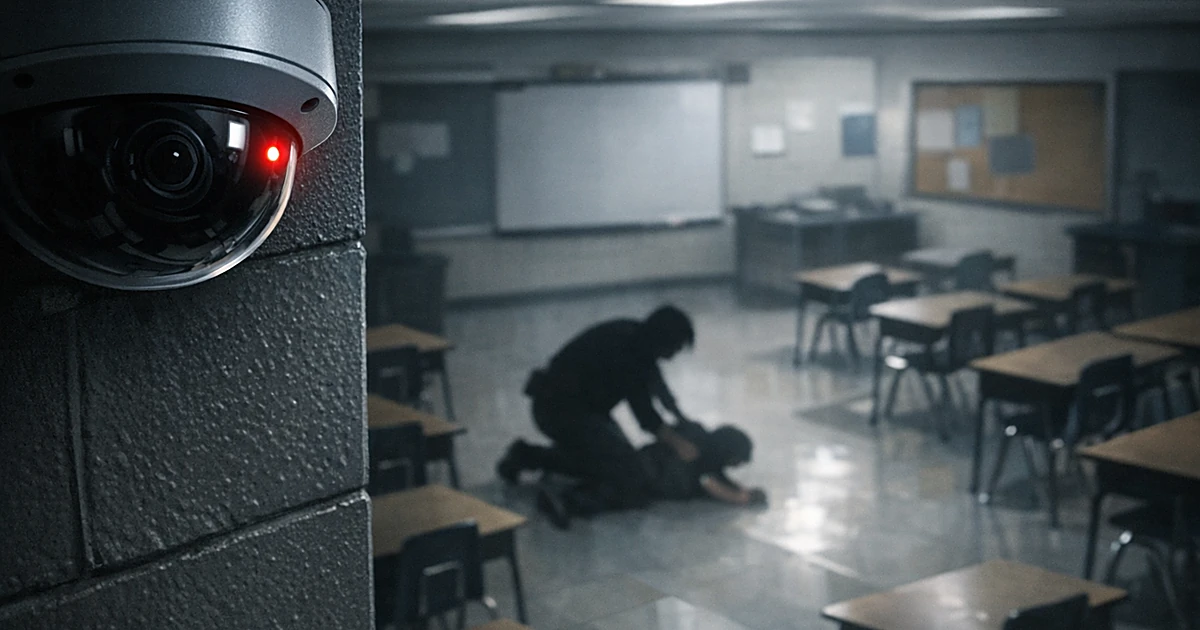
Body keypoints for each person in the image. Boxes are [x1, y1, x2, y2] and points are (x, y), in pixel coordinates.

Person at [496, 305, 701, 522]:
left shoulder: (636, 334)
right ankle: (567, 501)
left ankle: (527, 455)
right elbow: (646, 417)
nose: (673, 355)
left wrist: (681, 418)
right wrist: (681, 445)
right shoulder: (630, 355)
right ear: (663, 341)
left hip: (572, 407)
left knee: (610, 458)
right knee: (630, 475)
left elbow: (658, 385)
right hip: (560, 412)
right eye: (676, 348)